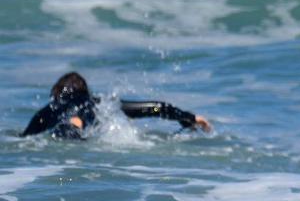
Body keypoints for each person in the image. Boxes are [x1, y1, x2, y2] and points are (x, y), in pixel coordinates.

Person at [20, 71, 213, 139]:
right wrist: (188, 117)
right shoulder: (99, 104)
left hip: (60, 135)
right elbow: (154, 108)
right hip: (77, 136)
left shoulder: (45, 112)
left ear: (56, 95)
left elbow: (24, 139)